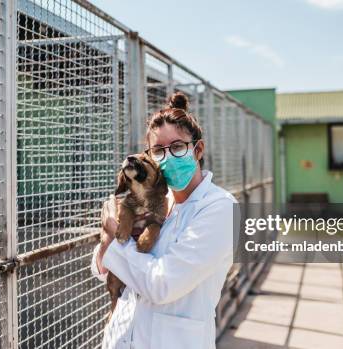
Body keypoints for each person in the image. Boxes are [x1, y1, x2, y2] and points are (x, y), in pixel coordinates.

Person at [90, 92, 237, 349]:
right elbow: (104, 270)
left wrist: (116, 235)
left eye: (178, 147)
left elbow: (163, 285)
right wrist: (106, 242)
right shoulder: (154, 200)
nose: (167, 158)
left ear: (198, 149)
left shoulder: (220, 208)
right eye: (158, 151)